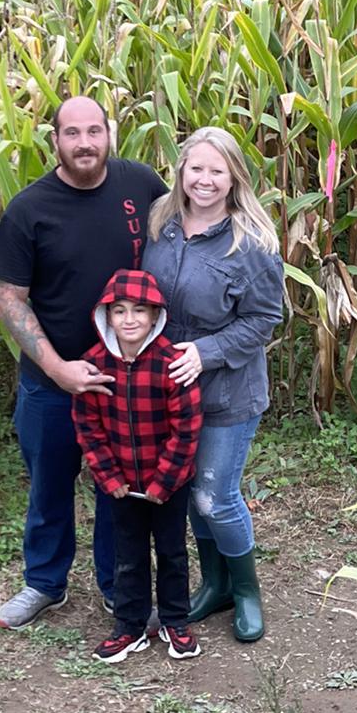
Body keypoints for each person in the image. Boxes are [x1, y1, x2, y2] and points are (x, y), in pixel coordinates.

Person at [0, 96, 169, 630]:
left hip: (127, 379)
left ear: (110, 134)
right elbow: (10, 299)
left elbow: (185, 237)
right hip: (51, 383)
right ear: (55, 141)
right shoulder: (29, 209)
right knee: (49, 483)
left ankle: (120, 588)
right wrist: (58, 368)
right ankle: (44, 583)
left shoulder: (141, 184)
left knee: (119, 487)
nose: (84, 143)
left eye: (94, 131)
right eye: (72, 133)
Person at [143, 127, 284, 645]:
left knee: (216, 497)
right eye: (195, 168)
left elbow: (264, 320)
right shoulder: (161, 222)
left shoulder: (252, 244)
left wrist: (204, 354)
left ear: (233, 179)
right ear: (181, 171)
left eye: (216, 171)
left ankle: (247, 591)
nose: (204, 180)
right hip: (169, 388)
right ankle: (216, 584)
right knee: (188, 489)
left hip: (229, 390)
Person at [73, 269, 203, 662]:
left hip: (168, 485)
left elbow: (187, 430)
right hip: (121, 486)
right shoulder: (93, 365)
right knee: (127, 555)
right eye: (120, 311)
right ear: (106, 316)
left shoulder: (172, 363)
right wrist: (108, 477)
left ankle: (175, 620)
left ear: (155, 315)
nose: (129, 320)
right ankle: (130, 627)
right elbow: (88, 427)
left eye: (140, 311)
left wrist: (164, 482)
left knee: (172, 552)